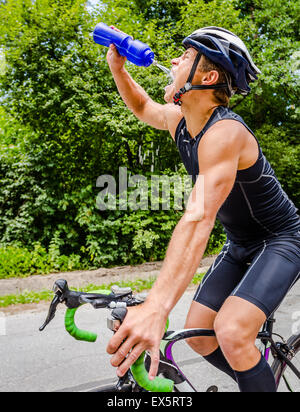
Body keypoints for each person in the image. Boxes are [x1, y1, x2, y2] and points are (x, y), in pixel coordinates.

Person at [105, 26, 300, 392]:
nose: (175, 59)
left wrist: (156, 307)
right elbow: (144, 106)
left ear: (208, 77)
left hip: (281, 239)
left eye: (187, 56)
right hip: (241, 242)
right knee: (199, 335)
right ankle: (259, 379)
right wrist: (118, 68)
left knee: (231, 330)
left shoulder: (226, 133)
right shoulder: (181, 122)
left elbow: (198, 217)